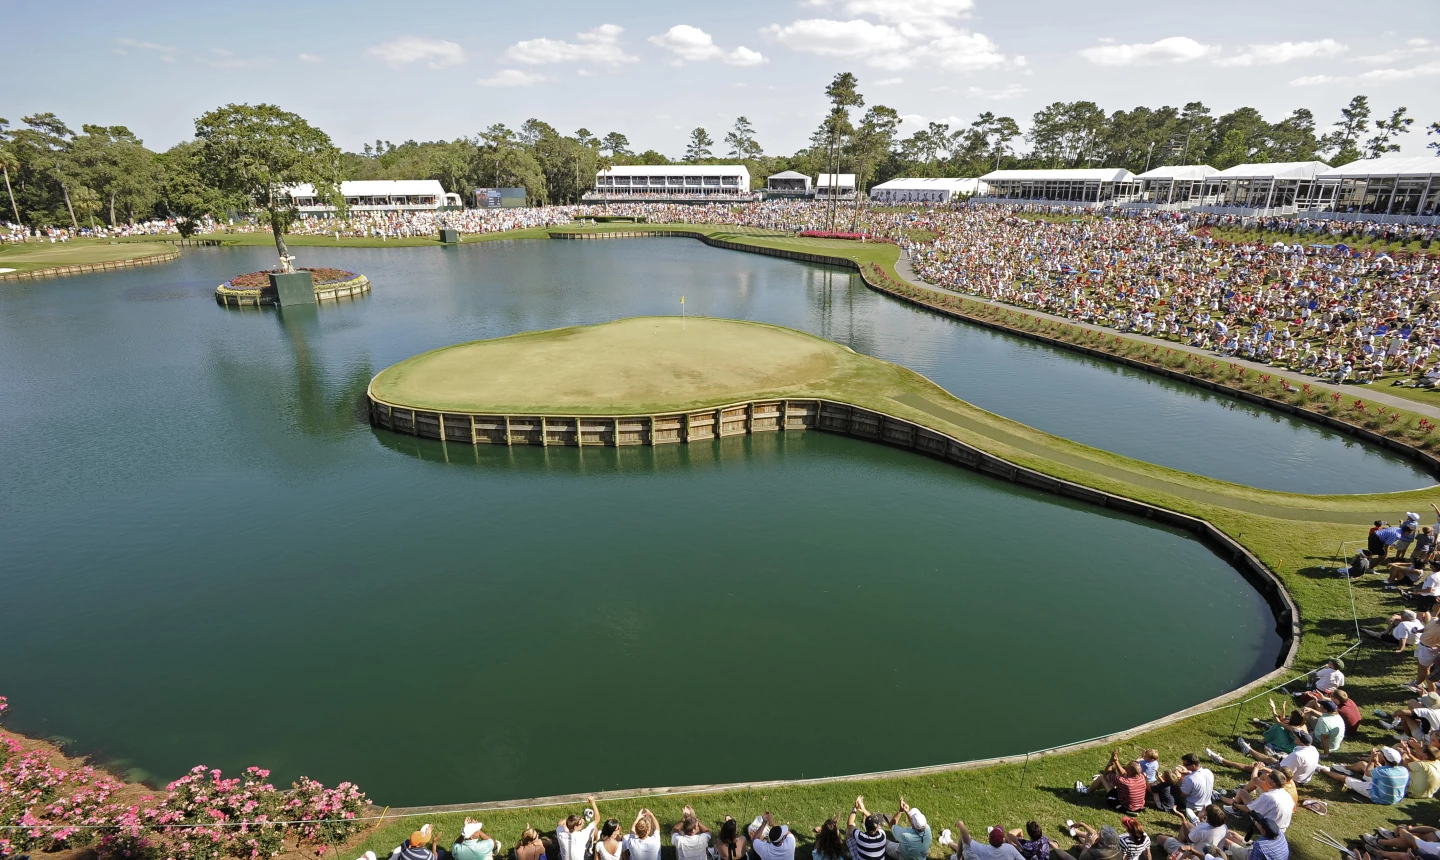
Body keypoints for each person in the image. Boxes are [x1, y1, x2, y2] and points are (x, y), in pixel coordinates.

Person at [1316, 745, 1409, 804]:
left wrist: (1372, 759)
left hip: (1378, 796)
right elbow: (1384, 772)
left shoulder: (1383, 772)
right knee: (1363, 764)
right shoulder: (1403, 770)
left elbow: (1367, 773)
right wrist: (1376, 762)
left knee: (1345, 779)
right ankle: (1346, 768)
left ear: (1384, 758)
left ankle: (1323, 770)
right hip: (1394, 797)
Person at [1075, 750, 1147, 813]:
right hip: (1139, 807)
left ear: (1130, 771)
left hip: (1123, 806)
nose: (1124, 768)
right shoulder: (1142, 777)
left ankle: (1085, 791)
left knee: (1101, 778)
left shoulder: (1123, 781)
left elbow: (1106, 774)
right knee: (1115, 779)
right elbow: (1124, 774)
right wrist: (1116, 761)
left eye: (1126, 768)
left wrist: (1111, 761)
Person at [1222, 813, 1287, 860]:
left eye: (1259, 823)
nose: (1256, 822)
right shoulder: (1279, 832)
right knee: (1232, 834)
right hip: (1267, 853)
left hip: (1253, 856)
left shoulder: (1261, 845)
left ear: (1263, 830)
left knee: (1226, 842)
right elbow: (1255, 845)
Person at [948, 821, 1025, 860]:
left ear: (989, 839)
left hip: (976, 857)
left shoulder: (983, 849)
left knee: (964, 843)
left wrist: (961, 824)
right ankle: (949, 843)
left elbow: (966, 838)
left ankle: (949, 842)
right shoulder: (1010, 849)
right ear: (1002, 839)